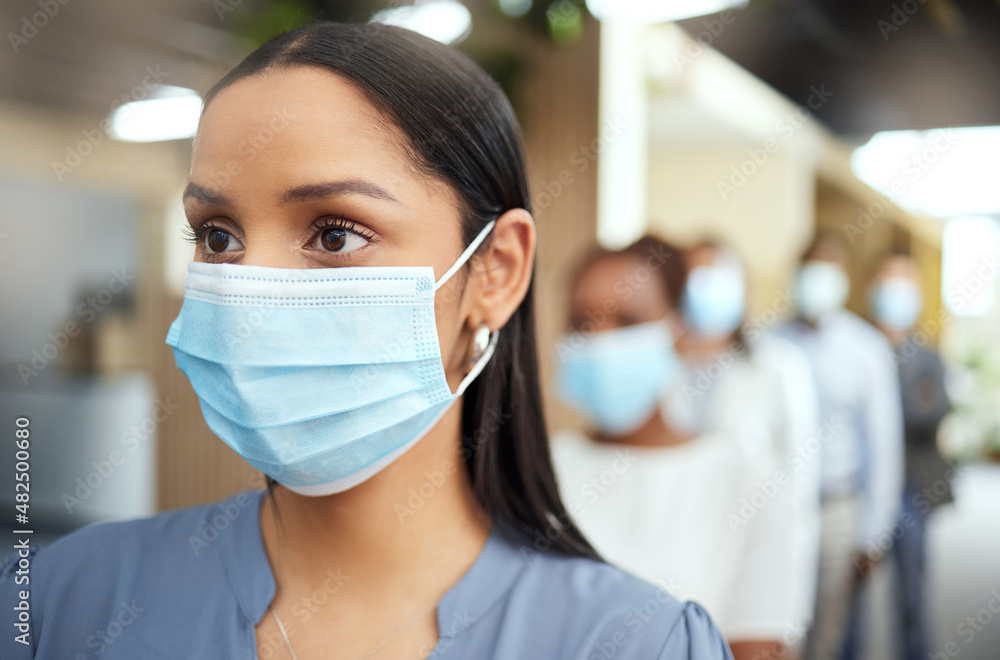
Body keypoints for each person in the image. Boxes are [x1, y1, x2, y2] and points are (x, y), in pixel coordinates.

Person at [0, 23, 732, 660]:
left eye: (335, 233)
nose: (251, 293)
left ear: (495, 272)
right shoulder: (65, 601)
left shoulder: (635, 643)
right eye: (217, 236)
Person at [550, 236, 801, 660]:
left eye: (627, 321)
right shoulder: (540, 466)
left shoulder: (747, 480)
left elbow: (758, 645)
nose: (600, 341)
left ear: (680, 328)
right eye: (582, 322)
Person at [666, 239, 822, 645]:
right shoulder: (658, 367)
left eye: (718, 277)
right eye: (696, 278)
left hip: (758, 559)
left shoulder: (779, 367)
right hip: (678, 560)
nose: (706, 288)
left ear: (742, 288)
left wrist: (787, 611)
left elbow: (799, 487)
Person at [777, 233, 904, 660]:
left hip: (837, 508)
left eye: (828, 271)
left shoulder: (866, 348)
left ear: (845, 279)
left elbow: (883, 445)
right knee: (777, 628)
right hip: (778, 508)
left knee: (825, 639)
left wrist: (874, 533)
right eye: (810, 269)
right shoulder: (770, 343)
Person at [868, 252, 953, 660]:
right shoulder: (859, 345)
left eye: (905, 282)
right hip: (861, 484)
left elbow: (931, 412)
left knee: (912, 594)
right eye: (889, 280)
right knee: (847, 598)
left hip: (911, 486)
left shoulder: (928, 355)